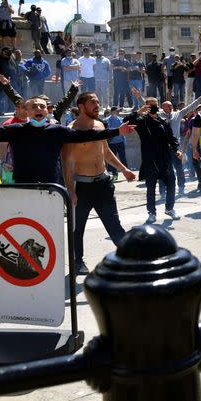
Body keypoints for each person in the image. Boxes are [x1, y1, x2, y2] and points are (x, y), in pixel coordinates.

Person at [0, 96, 135, 184]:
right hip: (24, 187)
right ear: (25, 111)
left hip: (52, 188)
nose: (38, 109)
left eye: (42, 106)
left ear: (47, 111)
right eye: (33, 106)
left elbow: (88, 135)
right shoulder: (15, 129)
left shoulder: (57, 130)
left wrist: (117, 132)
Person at [62, 92, 136, 275]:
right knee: (77, 229)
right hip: (82, 188)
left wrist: (123, 169)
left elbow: (106, 152)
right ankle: (78, 261)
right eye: (92, 102)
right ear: (81, 106)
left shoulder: (100, 124)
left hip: (103, 184)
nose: (97, 104)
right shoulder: (71, 131)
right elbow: (67, 164)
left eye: (97, 100)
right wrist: (71, 191)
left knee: (114, 225)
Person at [125, 89, 182, 223]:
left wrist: (177, 150)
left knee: (172, 184)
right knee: (151, 188)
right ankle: (152, 213)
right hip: (150, 160)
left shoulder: (163, 121)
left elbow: (171, 138)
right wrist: (139, 111)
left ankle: (170, 208)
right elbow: (126, 120)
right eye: (151, 105)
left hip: (165, 159)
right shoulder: (141, 121)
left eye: (155, 104)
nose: (154, 107)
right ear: (146, 106)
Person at [104, 107, 128, 181]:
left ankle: (126, 173)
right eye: (116, 111)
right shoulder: (106, 120)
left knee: (123, 159)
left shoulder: (121, 119)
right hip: (111, 143)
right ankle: (115, 174)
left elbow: (124, 131)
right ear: (112, 112)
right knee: (113, 160)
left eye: (118, 111)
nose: (118, 112)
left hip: (120, 142)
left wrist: (124, 141)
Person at [0, 46, 18, 115]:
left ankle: (11, 109)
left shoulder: (11, 59)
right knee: (2, 96)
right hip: (2, 80)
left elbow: (15, 68)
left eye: (8, 52)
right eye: (5, 51)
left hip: (12, 80)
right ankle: (1, 111)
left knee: (12, 95)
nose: (6, 53)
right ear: (2, 52)